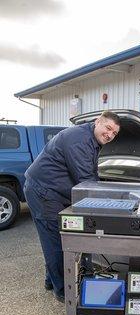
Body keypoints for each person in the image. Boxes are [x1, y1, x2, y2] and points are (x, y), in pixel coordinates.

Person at [23, 111, 120, 303]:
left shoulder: (91, 139)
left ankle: (51, 280)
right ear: (97, 122)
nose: (110, 135)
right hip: (44, 192)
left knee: (56, 239)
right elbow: (85, 181)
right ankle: (63, 291)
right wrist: (112, 202)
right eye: (108, 128)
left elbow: (91, 174)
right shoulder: (79, 139)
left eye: (115, 133)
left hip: (56, 192)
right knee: (55, 241)